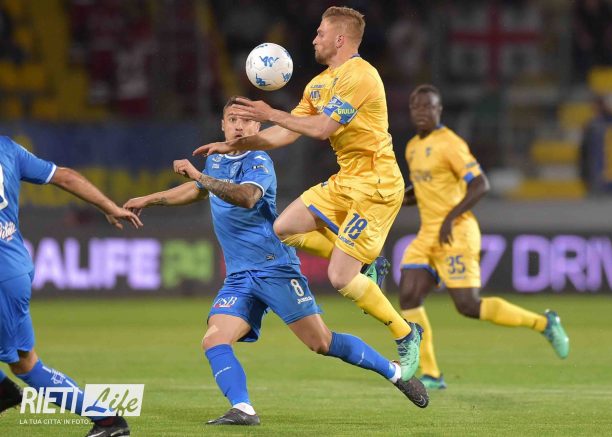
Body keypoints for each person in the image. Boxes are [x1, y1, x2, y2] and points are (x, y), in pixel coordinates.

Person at [124, 97, 429, 426]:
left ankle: (393, 372)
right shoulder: (216, 160)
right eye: (232, 119)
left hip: (275, 269)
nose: (239, 126)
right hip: (239, 277)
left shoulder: (259, 160)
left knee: (321, 342)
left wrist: (198, 175)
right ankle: (243, 408)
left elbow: (247, 197)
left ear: (258, 127)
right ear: (222, 125)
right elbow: (197, 190)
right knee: (214, 339)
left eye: (246, 120)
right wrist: (149, 199)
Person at [193, 6, 422, 382]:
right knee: (285, 226)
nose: (314, 39)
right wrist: (235, 145)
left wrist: (271, 112)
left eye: (320, 33)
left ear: (340, 39)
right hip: (347, 179)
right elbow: (288, 132)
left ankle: (405, 332)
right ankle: (367, 264)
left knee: (340, 278)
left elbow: (321, 128)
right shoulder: (318, 84)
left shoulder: (361, 75)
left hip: (376, 185)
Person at [398, 84, 570, 390]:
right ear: (411, 111)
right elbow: (421, 192)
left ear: (439, 110)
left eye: (429, 107)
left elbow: (480, 184)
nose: (423, 112)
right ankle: (432, 373)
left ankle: (544, 323)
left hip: (456, 231)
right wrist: (394, 197)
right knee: (409, 294)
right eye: (417, 107)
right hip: (428, 234)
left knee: (468, 306)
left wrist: (450, 218)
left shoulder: (450, 144)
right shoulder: (411, 147)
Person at [0, 137, 142, 436]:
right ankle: (107, 421)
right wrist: (108, 205)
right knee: (26, 364)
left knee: (25, 364)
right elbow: (64, 176)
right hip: (15, 266)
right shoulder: (7, 148)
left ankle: (4, 392)